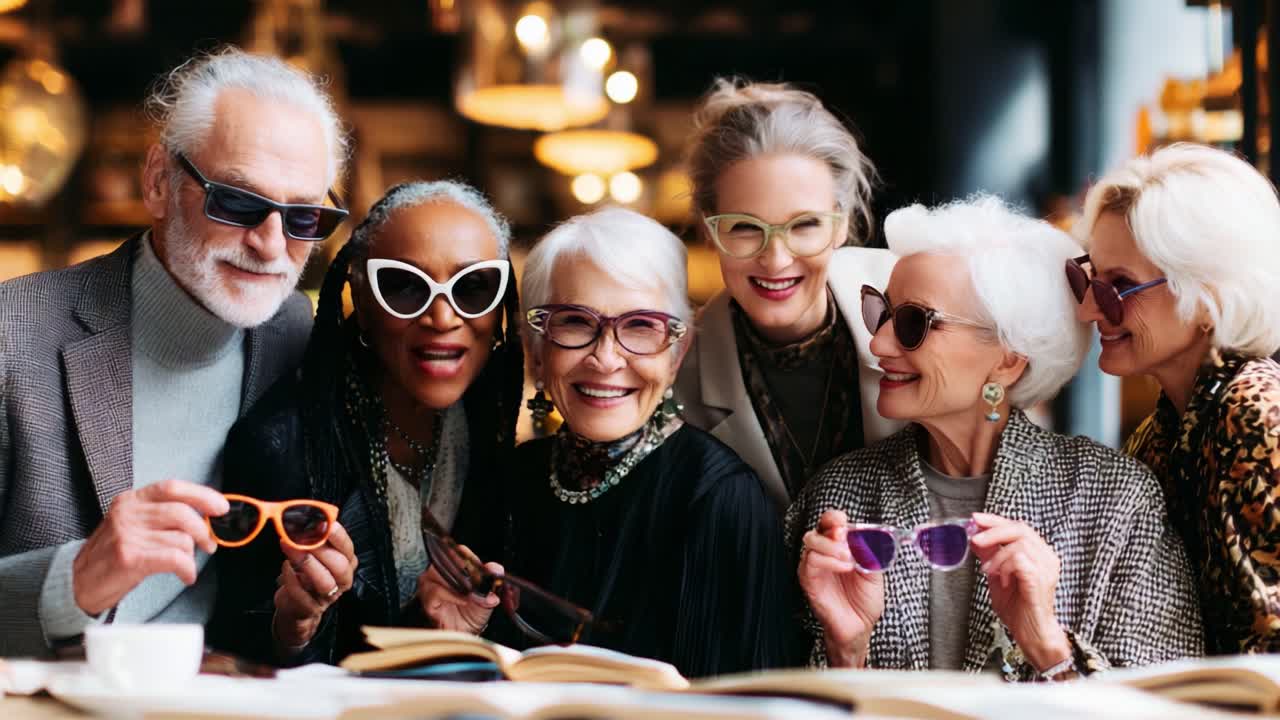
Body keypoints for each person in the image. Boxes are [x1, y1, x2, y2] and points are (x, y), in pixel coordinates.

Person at [0, 47, 348, 656]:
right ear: (159, 182)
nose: (271, 246)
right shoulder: (12, 331)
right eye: (238, 202)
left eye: (303, 218)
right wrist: (71, 582)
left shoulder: (294, 332)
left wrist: (292, 618)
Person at [789, 196, 1203, 680]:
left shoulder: (1115, 499)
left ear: (1008, 359)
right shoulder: (840, 498)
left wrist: (1049, 646)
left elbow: (1173, 705)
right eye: (881, 313)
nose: (879, 343)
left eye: (912, 324)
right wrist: (845, 653)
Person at [418, 208, 795, 678]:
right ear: (536, 348)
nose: (605, 358)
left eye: (641, 326)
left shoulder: (718, 498)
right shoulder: (505, 484)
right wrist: (457, 643)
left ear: (677, 353)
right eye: (575, 321)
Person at [209, 180, 524, 664]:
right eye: (403, 286)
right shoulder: (282, 444)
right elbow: (234, 655)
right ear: (360, 293)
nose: (443, 317)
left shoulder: (487, 431)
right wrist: (294, 627)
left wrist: (436, 628)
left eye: (474, 286)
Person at [1073, 143, 1280, 654]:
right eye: (1086, 279)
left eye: (1118, 286)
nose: (1089, 310)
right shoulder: (1159, 435)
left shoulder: (1253, 412)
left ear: (1208, 296)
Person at [675, 79, 902, 513]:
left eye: (804, 225)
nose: (776, 260)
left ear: (841, 224)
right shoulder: (677, 372)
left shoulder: (918, 313)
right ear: (709, 231)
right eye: (744, 227)